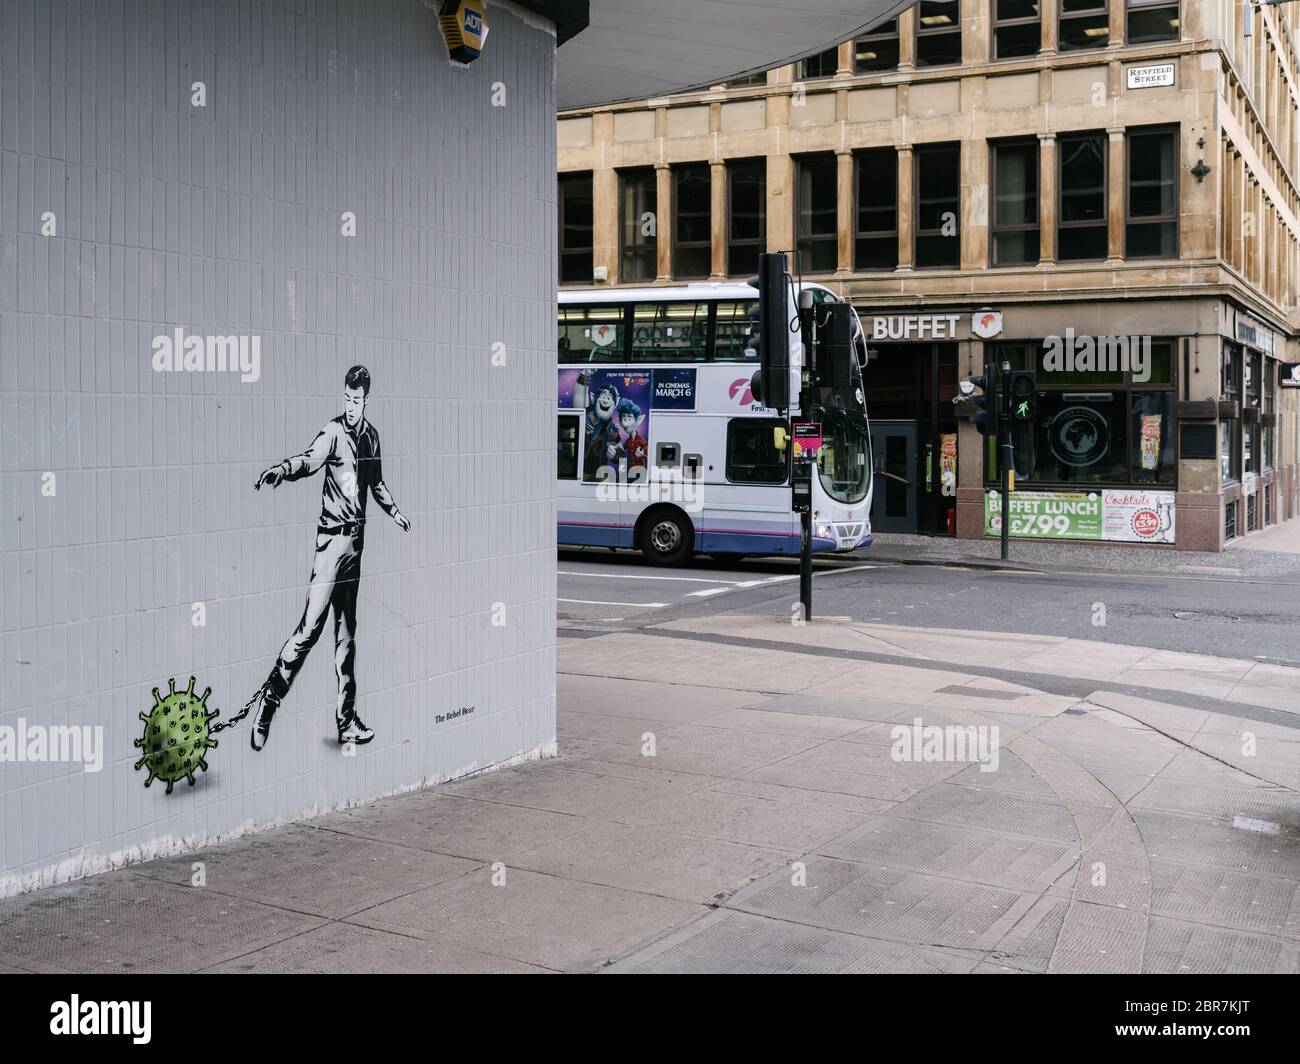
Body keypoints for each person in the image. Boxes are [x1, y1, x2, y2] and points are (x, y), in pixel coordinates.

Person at [241, 365, 411, 751]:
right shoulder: (333, 433)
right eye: (347, 399)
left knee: (346, 638)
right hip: (331, 545)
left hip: (355, 547)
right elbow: (309, 460)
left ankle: (346, 721)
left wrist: (395, 512)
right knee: (308, 631)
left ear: (367, 399)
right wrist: (282, 471)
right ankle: (268, 703)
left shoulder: (371, 437)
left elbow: (377, 483)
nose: (351, 406)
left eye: (357, 400)